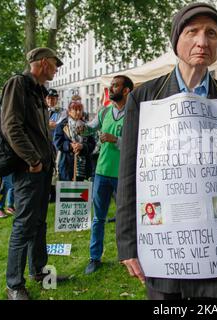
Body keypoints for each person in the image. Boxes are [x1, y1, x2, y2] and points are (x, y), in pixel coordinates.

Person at [115, 3, 217, 300]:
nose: (202, 42)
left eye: (212, 33)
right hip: (165, 248)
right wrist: (128, 243)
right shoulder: (143, 98)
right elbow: (128, 175)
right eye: (192, 32)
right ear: (177, 39)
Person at [0, 47, 69, 300]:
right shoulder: (18, 84)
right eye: (54, 63)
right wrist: (32, 160)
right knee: (24, 225)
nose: (56, 68)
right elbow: (11, 126)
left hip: (41, 169)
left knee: (38, 223)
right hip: (29, 170)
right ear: (41, 63)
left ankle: (40, 272)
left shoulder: (38, 90)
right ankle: (14, 286)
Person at [82, 75, 134, 274]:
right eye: (111, 85)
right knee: (98, 219)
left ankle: (128, 256)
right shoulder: (104, 112)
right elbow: (89, 129)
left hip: (124, 175)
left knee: (126, 219)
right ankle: (94, 258)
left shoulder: (134, 113)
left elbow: (136, 143)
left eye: (115, 85)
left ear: (126, 90)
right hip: (102, 173)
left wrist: (116, 140)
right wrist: (81, 128)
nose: (111, 88)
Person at [54, 101, 95, 181]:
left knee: (82, 192)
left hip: (83, 167)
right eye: (75, 110)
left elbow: (92, 144)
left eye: (80, 110)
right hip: (67, 165)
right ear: (69, 111)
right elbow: (58, 142)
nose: (78, 112)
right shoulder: (62, 125)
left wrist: (82, 146)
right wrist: (70, 145)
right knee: (66, 191)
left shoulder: (87, 126)